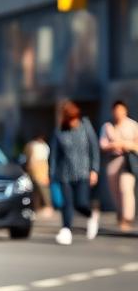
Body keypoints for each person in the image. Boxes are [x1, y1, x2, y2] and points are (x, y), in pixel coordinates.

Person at [49, 100, 100, 245]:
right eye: (70, 119)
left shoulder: (86, 127)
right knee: (67, 204)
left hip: (83, 172)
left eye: (74, 118)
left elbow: (94, 149)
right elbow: (54, 155)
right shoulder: (59, 131)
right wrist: (51, 174)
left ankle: (91, 216)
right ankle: (66, 230)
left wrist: (94, 170)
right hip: (64, 173)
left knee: (81, 203)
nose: (73, 122)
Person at [99, 99, 138, 232]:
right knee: (115, 191)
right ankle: (120, 213)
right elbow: (102, 145)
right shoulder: (107, 126)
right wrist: (114, 145)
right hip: (113, 160)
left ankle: (127, 217)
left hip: (129, 161)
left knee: (125, 188)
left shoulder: (133, 125)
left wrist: (125, 144)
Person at [23, 133, 52, 215]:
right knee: (35, 189)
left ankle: (47, 205)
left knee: (41, 188)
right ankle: (36, 206)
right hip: (35, 168)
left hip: (40, 168)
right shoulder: (33, 145)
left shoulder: (42, 146)